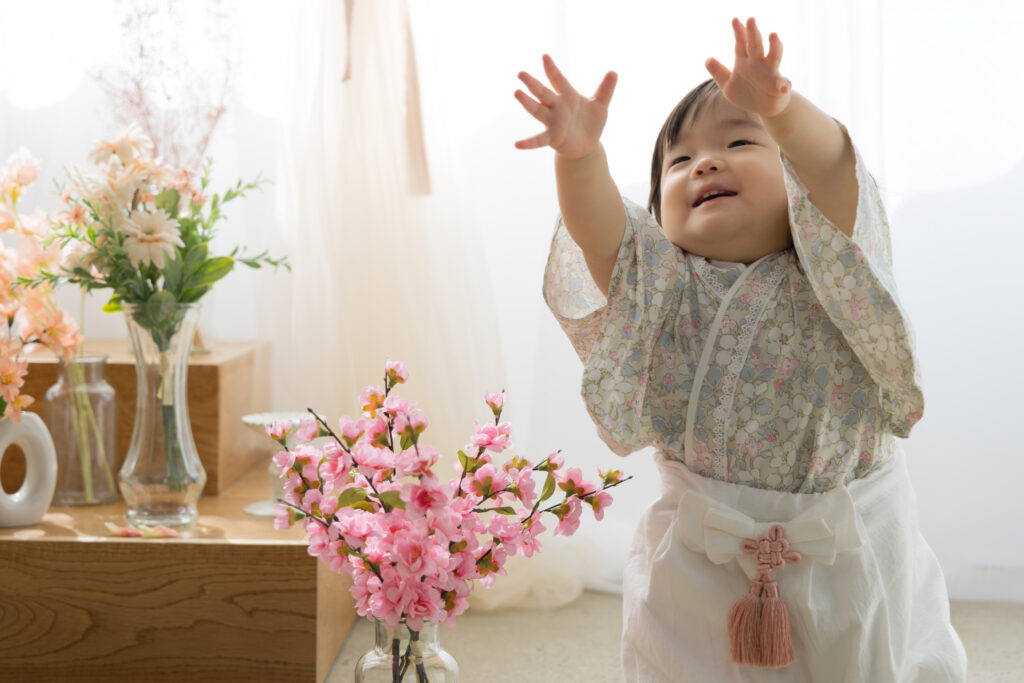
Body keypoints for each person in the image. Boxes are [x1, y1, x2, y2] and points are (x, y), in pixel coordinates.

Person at [515, 16, 968, 682]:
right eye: (678, 160)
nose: (704, 161)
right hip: (704, 550)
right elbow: (602, 233)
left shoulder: (832, 261)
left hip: (846, 537)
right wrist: (580, 158)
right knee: (686, 662)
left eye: (739, 139)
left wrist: (783, 114)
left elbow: (834, 170)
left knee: (874, 661)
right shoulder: (663, 287)